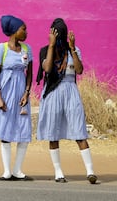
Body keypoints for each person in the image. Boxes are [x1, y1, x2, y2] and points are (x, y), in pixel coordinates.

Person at [36, 18, 98, 184]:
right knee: (53, 133)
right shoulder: (45, 50)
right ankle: (58, 172)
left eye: (60, 32)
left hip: (71, 91)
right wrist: (51, 45)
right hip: (52, 94)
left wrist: (72, 49)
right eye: (55, 32)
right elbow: (48, 69)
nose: (58, 35)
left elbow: (79, 70)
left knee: (79, 131)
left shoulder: (74, 50)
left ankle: (90, 171)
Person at [0, 15, 33, 181]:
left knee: (23, 128)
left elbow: (30, 74)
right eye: (23, 29)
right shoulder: (1, 48)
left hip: (21, 94)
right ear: (14, 31)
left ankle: (17, 170)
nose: (26, 32)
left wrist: (27, 92)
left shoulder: (27, 49)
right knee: (6, 129)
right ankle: (7, 171)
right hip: (5, 92)